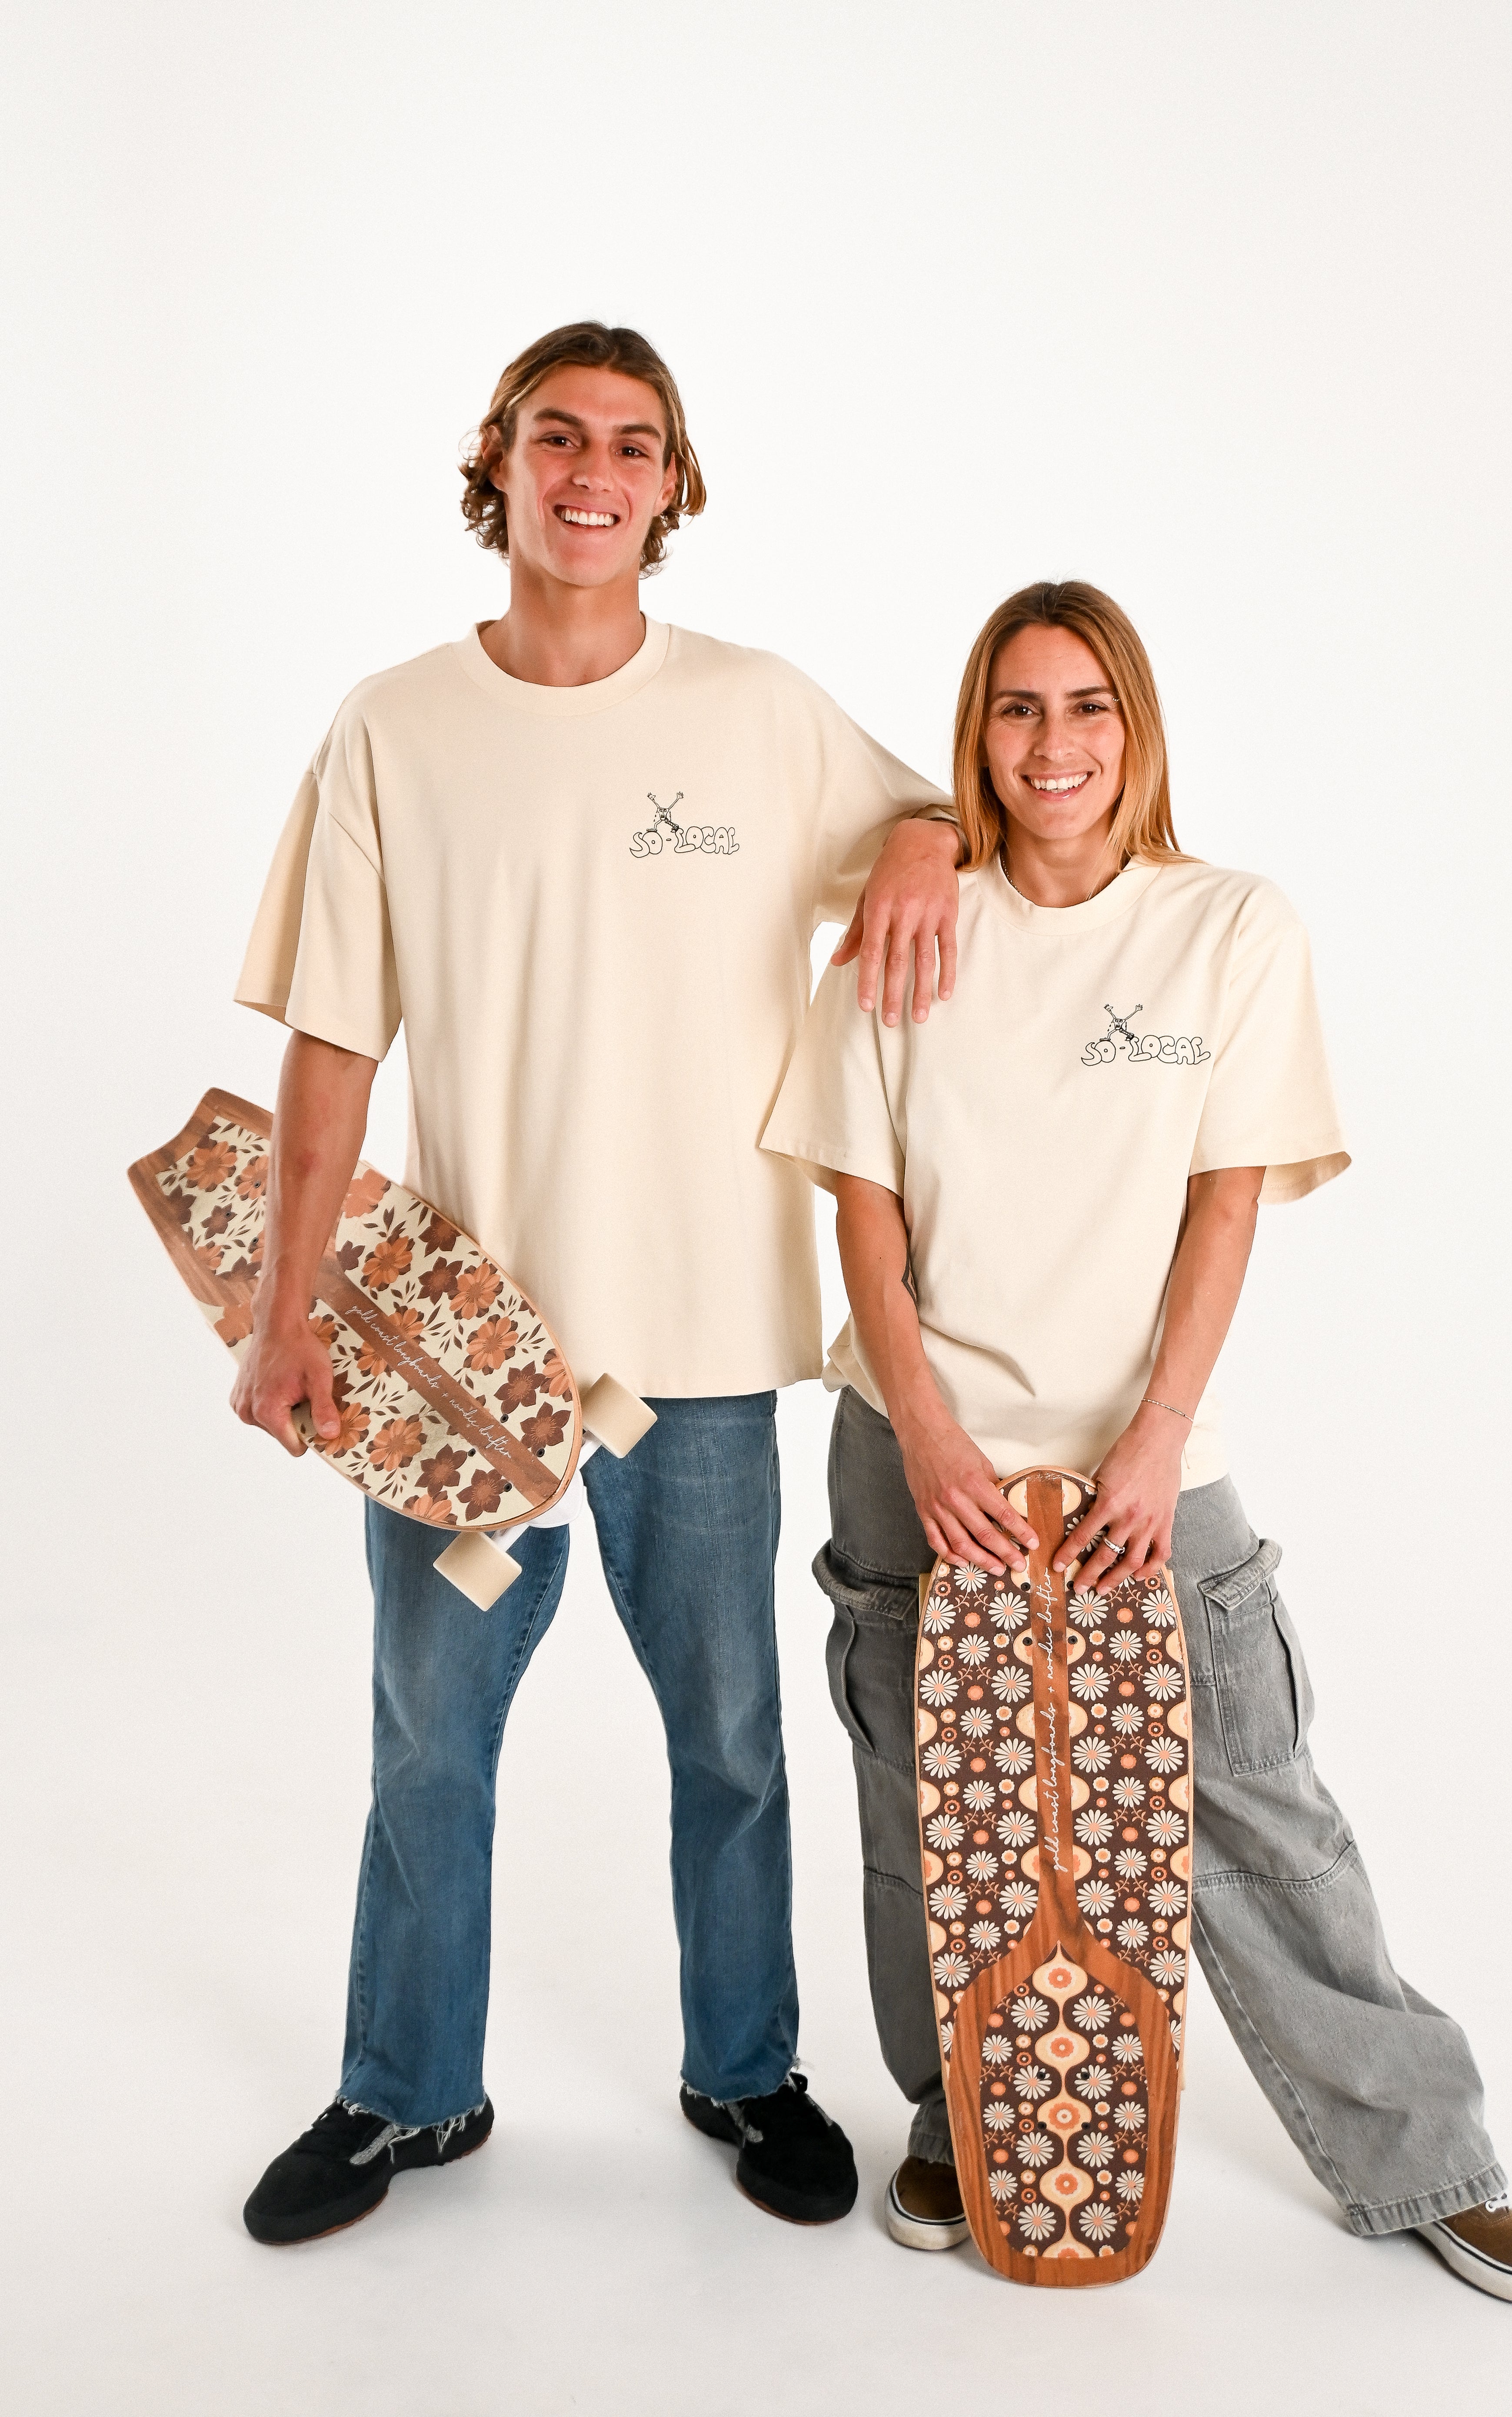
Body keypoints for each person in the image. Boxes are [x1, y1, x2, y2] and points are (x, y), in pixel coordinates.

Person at [229, 322, 963, 2245]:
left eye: (633, 445)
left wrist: (919, 842)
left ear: (671, 484)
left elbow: (938, 808)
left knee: (729, 1735)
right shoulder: (395, 724)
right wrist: (286, 1305)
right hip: (465, 1359)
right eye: (560, 435)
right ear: (501, 456)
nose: (594, 471)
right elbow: (328, 1043)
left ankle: (746, 2064)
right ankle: (405, 2090)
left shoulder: (756, 710)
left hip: (705, 1350)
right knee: (430, 1735)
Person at [762, 580, 1512, 2304]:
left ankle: (1424, 2155)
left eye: (1089, 707)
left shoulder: (1231, 928)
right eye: (1018, 709)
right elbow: (864, 1216)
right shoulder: (911, 933)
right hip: (920, 1445)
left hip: (1147, 1455)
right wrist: (924, 1428)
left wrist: (1157, 1435)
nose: (1055, 745)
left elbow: (1224, 1205)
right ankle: (956, 2118)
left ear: (1140, 729)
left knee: (1253, 1795)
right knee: (934, 1811)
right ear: (977, 732)